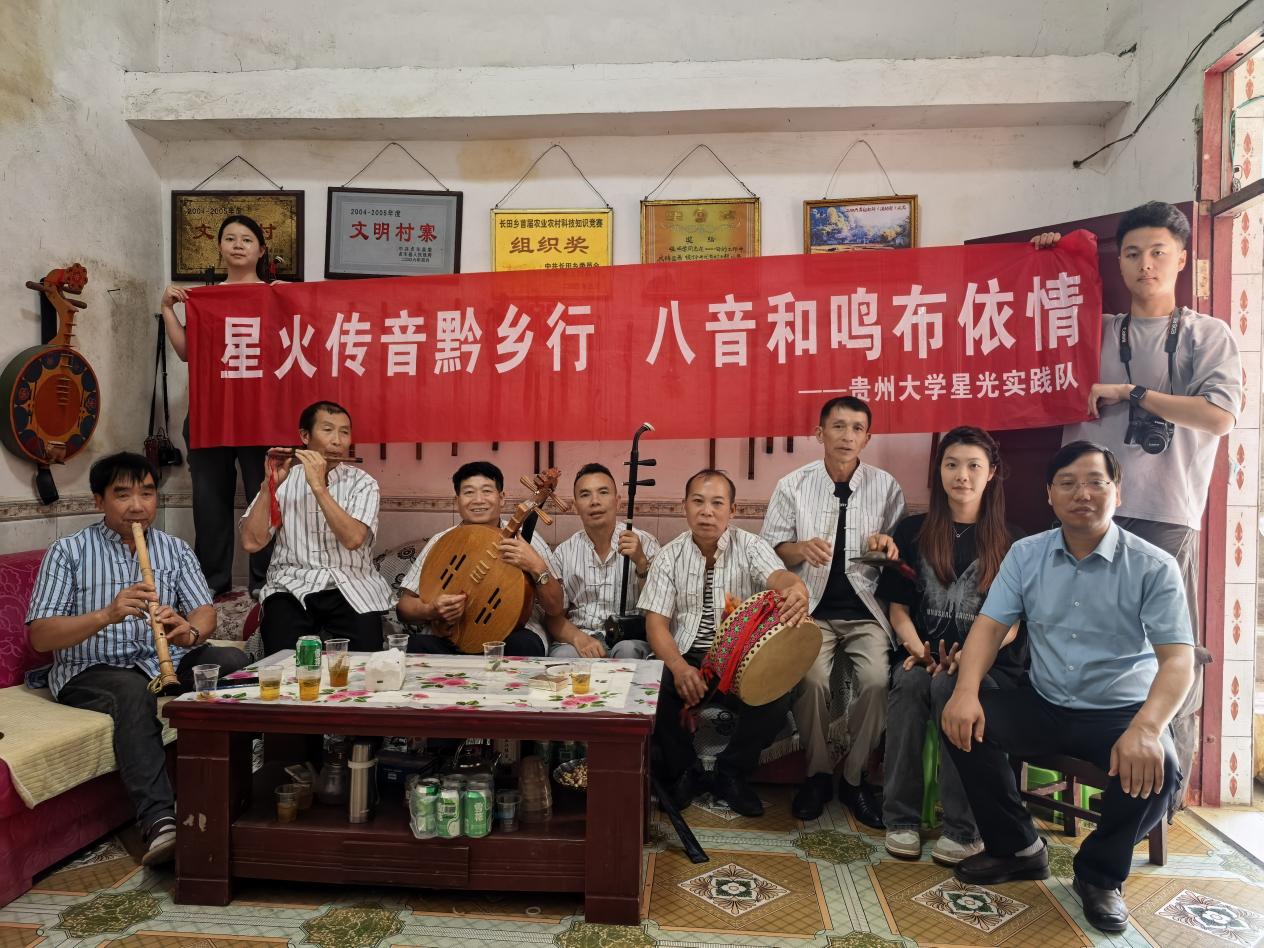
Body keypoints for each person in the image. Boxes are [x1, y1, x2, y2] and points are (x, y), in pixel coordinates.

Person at [941, 441, 1194, 934]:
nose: (1083, 494)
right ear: (1049, 494)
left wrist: (1147, 728)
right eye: (1068, 483)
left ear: (1117, 492)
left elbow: (1178, 659)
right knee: (960, 719)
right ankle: (1018, 848)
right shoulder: (1026, 554)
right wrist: (965, 691)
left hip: (1120, 711)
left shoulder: (1153, 565)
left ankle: (1099, 875)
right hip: (1045, 702)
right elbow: (990, 627)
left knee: (1159, 766)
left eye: (1096, 482)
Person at [26, 452, 251, 867]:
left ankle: (239, 790)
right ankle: (160, 821)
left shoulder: (173, 548)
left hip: (162, 660)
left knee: (234, 661)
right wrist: (106, 615)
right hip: (92, 668)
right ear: (99, 501)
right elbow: (40, 635)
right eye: (123, 494)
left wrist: (188, 630)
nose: (137, 506)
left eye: (147, 493)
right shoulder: (68, 551)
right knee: (133, 693)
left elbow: (205, 612)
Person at [877, 427, 1025, 866]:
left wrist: (968, 660)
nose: (962, 475)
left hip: (988, 665)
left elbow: (1013, 624)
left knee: (951, 689)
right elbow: (898, 608)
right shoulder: (913, 530)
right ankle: (900, 819)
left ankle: (964, 829)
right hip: (920, 655)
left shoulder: (1014, 540)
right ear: (939, 471)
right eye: (952, 465)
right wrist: (919, 651)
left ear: (991, 472)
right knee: (909, 687)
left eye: (974, 466)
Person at [761, 396, 905, 825]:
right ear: (819, 433)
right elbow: (768, 552)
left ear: (868, 437)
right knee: (811, 680)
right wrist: (799, 549)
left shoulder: (886, 487)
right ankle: (818, 774)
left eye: (857, 428)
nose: (847, 436)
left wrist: (887, 547)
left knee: (877, 682)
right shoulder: (793, 485)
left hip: (866, 612)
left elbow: (897, 555)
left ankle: (855, 779)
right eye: (838, 426)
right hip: (810, 610)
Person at [640, 469, 810, 817]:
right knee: (653, 683)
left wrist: (796, 587)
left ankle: (731, 772)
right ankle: (685, 770)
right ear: (684, 507)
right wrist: (679, 667)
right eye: (698, 502)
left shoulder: (751, 547)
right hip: (689, 657)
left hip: (741, 659)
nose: (707, 511)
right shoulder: (668, 557)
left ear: (732, 510)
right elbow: (656, 624)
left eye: (717, 503)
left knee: (779, 689)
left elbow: (779, 576)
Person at [160, 214, 279, 598]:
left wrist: (291, 300)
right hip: (210, 416)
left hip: (262, 416)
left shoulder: (276, 295)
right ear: (220, 247)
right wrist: (168, 310)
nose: (238, 244)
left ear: (261, 250)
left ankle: (267, 584)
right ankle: (211, 584)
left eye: (247, 239)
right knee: (209, 503)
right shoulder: (205, 299)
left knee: (267, 500)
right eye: (230, 238)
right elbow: (186, 353)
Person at [240, 401, 392, 654]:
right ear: (304, 436)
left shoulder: (363, 483)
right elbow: (251, 542)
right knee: (283, 658)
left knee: (364, 659)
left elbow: (353, 539)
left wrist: (318, 487)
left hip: (351, 585)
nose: (337, 441)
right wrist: (269, 486)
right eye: (328, 430)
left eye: (344, 432)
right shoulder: (285, 480)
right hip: (291, 586)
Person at [397, 461, 562, 657]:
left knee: (524, 645)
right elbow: (404, 608)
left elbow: (556, 608)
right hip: (450, 637)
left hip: (508, 637)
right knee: (415, 645)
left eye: (486, 491)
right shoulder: (443, 541)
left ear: (502, 498)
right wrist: (430, 610)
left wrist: (537, 566)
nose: (478, 500)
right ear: (457, 500)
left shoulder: (527, 540)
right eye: (469, 492)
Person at [545, 463, 660, 659]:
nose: (595, 501)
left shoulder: (646, 543)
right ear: (575, 507)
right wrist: (578, 638)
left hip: (629, 639)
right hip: (581, 637)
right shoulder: (564, 553)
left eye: (603, 492)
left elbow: (660, 609)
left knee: (628, 651)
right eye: (585, 495)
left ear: (618, 501)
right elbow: (553, 617)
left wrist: (641, 562)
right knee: (563, 655)